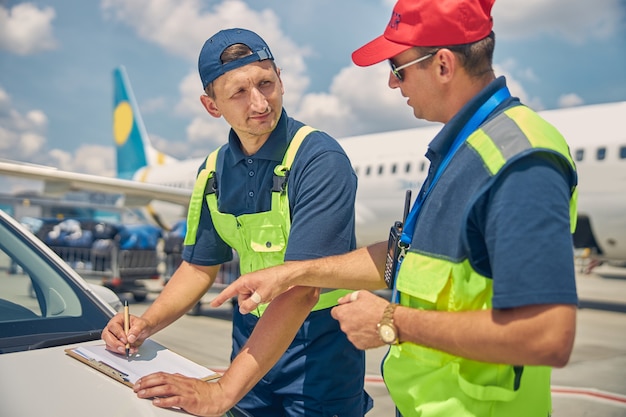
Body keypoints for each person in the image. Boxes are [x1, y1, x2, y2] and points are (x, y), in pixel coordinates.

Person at [213, 1, 579, 416]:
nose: (391, 83)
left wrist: (390, 320)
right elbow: (408, 259)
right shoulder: (463, 150)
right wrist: (293, 271)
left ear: (443, 65)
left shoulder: (517, 159)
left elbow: (546, 334)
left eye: (398, 68)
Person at [102, 28, 372, 417]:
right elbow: (199, 265)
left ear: (281, 78)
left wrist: (222, 391)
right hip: (251, 343)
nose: (260, 103)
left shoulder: (318, 158)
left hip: (319, 351)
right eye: (239, 93)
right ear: (211, 105)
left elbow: (301, 289)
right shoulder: (212, 171)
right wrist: (145, 323)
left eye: (266, 83)